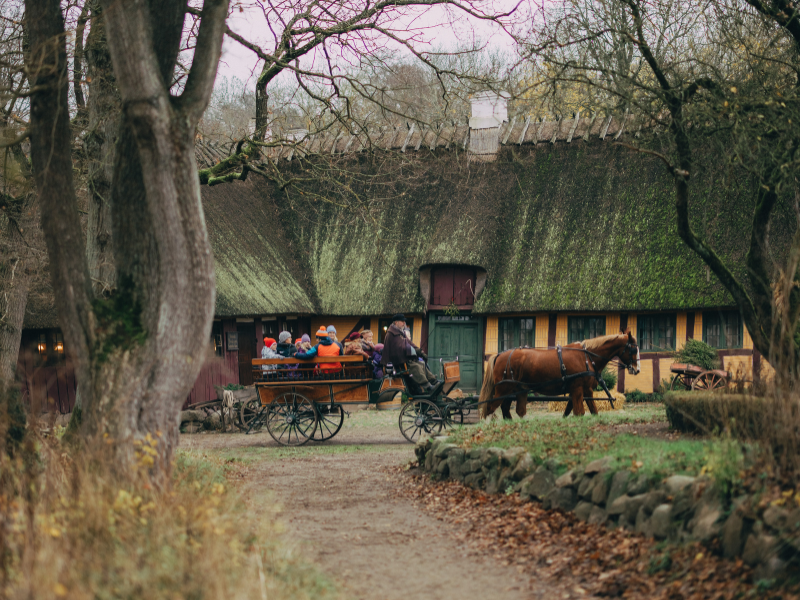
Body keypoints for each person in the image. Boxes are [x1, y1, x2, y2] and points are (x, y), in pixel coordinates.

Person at [381, 314, 438, 391]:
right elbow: (398, 349)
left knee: (422, 364)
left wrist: (420, 351)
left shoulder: (401, 333)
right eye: (402, 321)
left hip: (404, 360)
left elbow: (410, 343)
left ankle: (434, 381)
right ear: (396, 322)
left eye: (404, 321)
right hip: (397, 363)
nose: (404, 323)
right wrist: (410, 351)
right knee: (415, 367)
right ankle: (427, 386)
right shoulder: (391, 334)